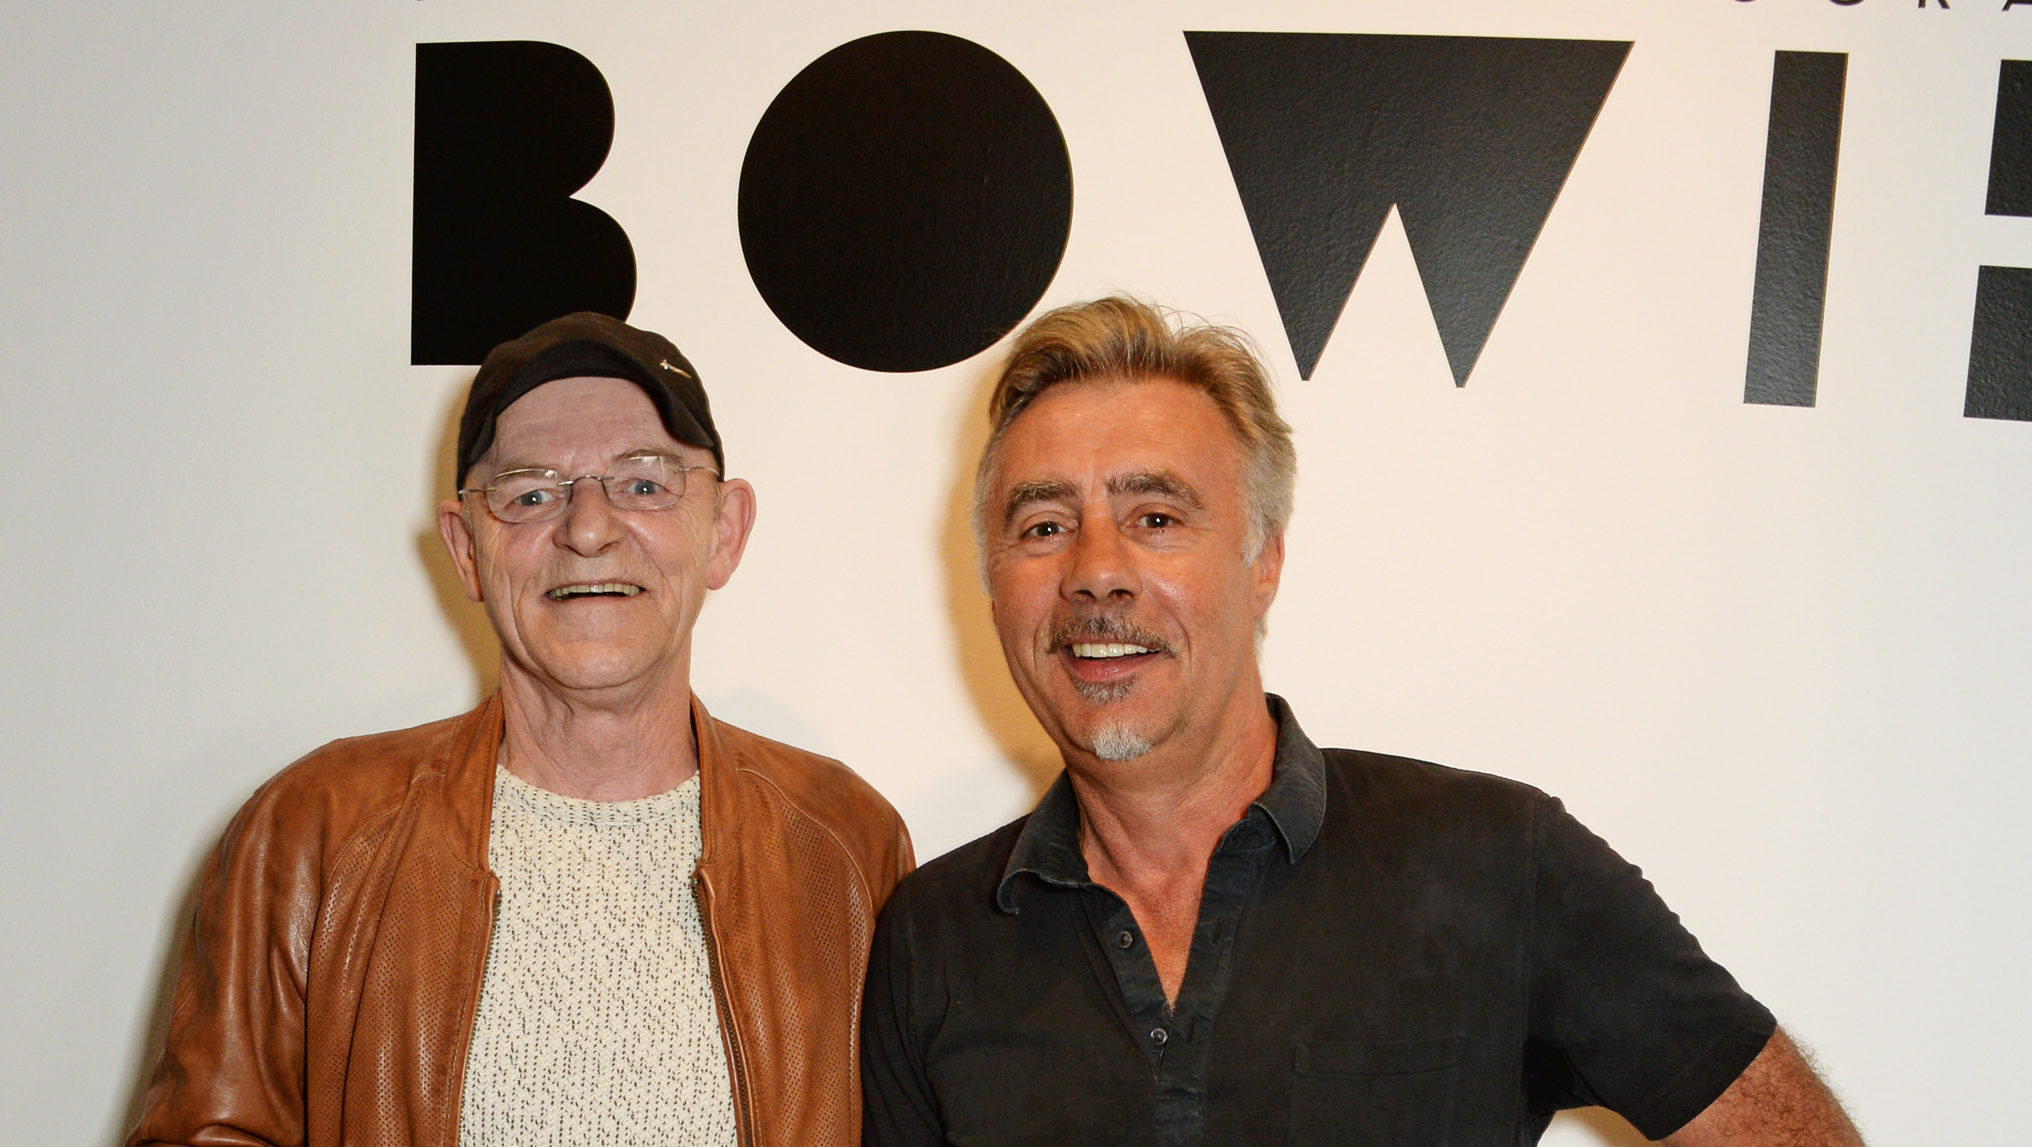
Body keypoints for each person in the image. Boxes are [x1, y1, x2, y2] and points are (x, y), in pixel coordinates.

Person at [861, 297, 1863, 1146]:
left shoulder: (1494, 860)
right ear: (995, 585)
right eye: (1042, 526)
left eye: (1156, 517)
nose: (1095, 570)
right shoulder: (932, 938)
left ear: (1263, 561)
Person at [128, 312, 913, 1147]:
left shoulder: (847, 848)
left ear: (724, 531)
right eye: (531, 492)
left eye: (644, 483)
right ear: (468, 549)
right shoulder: (313, 831)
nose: (586, 528)